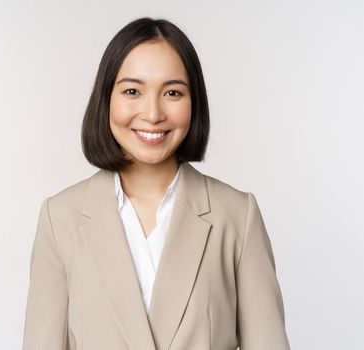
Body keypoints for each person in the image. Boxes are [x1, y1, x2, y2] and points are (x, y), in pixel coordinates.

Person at [23, 17, 290, 350]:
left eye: (173, 92)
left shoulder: (237, 216)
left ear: (194, 103)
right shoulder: (60, 218)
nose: (152, 113)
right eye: (132, 91)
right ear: (107, 99)